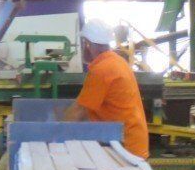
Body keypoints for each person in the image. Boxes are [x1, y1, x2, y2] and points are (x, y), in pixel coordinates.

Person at [63, 18, 150, 158]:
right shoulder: (117, 61)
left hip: (125, 148)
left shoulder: (102, 70)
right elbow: (88, 108)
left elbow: (79, 111)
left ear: (88, 44)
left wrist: (54, 135)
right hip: (131, 140)